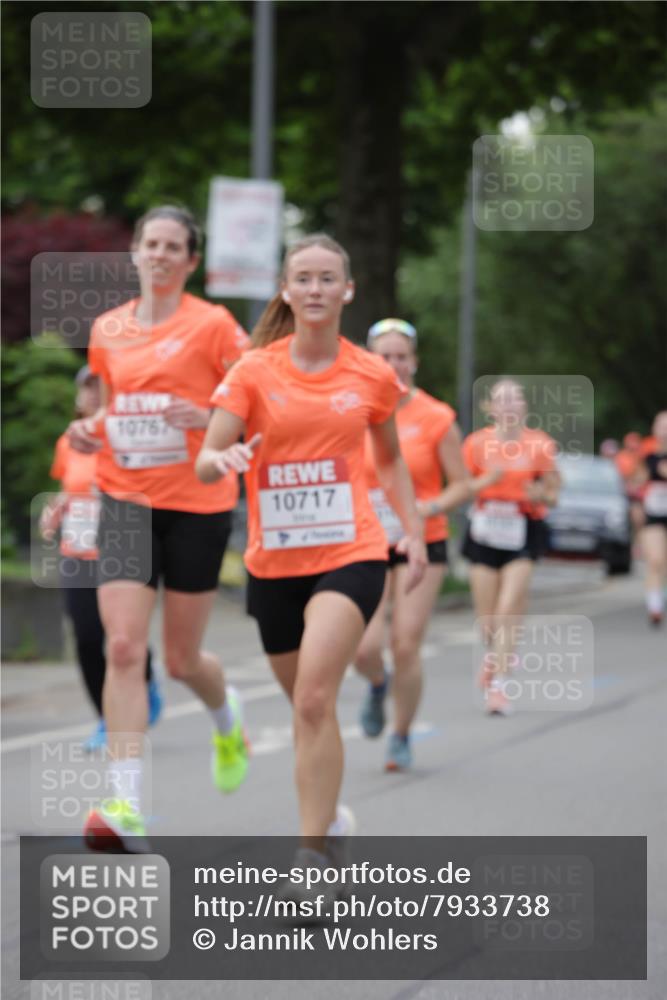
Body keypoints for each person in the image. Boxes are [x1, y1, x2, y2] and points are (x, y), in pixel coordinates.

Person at [196, 234, 426, 889]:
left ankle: (311, 860)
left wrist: (408, 532)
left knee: (315, 699)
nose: (317, 289)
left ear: (346, 290)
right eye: (305, 278)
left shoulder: (370, 374)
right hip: (272, 564)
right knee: (307, 708)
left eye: (329, 278)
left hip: (349, 553)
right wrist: (226, 460)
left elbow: (387, 460)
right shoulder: (253, 371)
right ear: (286, 289)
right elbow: (204, 458)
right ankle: (329, 824)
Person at [67, 205, 251, 852]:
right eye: (152, 243)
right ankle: (126, 806)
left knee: (179, 661)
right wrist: (89, 429)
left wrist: (201, 414)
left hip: (197, 505)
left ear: (191, 261)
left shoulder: (215, 325)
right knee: (123, 649)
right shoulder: (108, 328)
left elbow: (253, 405)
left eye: (175, 246)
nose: (162, 254)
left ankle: (227, 719)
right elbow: (112, 406)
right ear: (137, 254)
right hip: (123, 498)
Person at [353, 318, 497, 770]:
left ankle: (400, 734)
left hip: (422, 540)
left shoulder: (435, 417)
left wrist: (429, 509)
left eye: (400, 356)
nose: (392, 364)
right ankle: (377, 685)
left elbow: (463, 485)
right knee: (362, 646)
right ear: (369, 359)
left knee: (405, 643)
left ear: (413, 362)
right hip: (366, 539)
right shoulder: (350, 409)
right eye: (383, 355)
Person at [40, 366, 162, 752]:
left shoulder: (125, 436)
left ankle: (144, 677)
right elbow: (69, 486)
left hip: (120, 546)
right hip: (78, 548)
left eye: (99, 386)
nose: (92, 394)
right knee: (87, 636)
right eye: (86, 388)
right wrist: (57, 508)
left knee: (122, 639)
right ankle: (106, 719)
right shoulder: (68, 441)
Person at [461, 379, 561, 716]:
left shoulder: (539, 444)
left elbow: (553, 493)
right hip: (485, 530)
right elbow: (461, 488)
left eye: (515, 399)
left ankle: (500, 686)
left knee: (508, 608)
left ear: (524, 407)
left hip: (522, 530)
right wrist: (484, 482)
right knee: (488, 620)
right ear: (489, 408)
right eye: (501, 400)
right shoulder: (476, 444)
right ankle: (498, 655)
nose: (509, 405)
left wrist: (540, 495)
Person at [634, 411, 667, 626]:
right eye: (661, 425)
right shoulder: (646, 452)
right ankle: (654, 607)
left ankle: (660, 594)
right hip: (654, 513)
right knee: (655, 559)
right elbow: (636, 481)